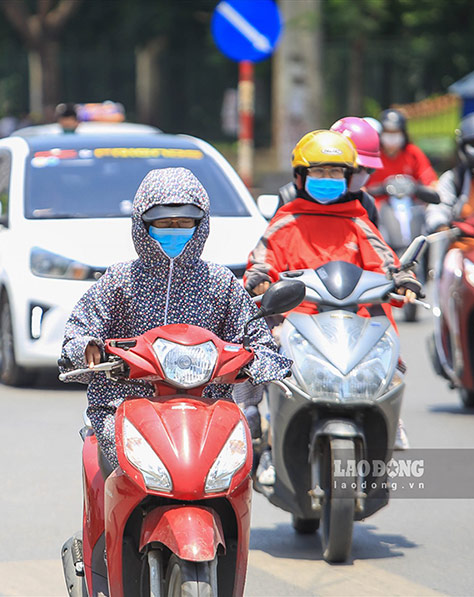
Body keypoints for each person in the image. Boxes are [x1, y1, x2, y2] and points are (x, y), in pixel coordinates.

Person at [60, 167, 292, 468]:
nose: (175, 229)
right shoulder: (120, 279)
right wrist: (87, 347)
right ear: (142, 224)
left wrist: (261, 361)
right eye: (164, 223)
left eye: (184, 222)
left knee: (238, 468)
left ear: (201, 224)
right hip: (125, 404)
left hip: (209, 409)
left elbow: (257, 338)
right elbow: (79, 330)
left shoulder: (219, 282)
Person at [241, 131, 420, 472]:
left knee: (391, 362)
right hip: (296, 323)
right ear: (301, 177)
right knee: (256, 361)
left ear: (348, 177)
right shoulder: (284, 223)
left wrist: (402, 279)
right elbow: (262, 261)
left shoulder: (358, 222)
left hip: (356, 322)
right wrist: (260, 279)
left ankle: (387, 421)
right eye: (320, 172)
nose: (328, 180)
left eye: (336, 173)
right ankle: (255, 430)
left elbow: (385, 264)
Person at [277, 116, 383, 226]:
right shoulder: (291, 197)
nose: (362, 175)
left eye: (369, 169)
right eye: (357, 169)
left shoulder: (365, 204)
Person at [366, 108, 438, 205]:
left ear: (403, 133)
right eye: (388, 132)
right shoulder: (373, 154)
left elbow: (432, 184)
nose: (391, 137)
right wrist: (382, 188)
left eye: (395, 132)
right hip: (377, 208)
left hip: (410, 208)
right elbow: (361, 188)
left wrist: (416, 188)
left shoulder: (413, 153)